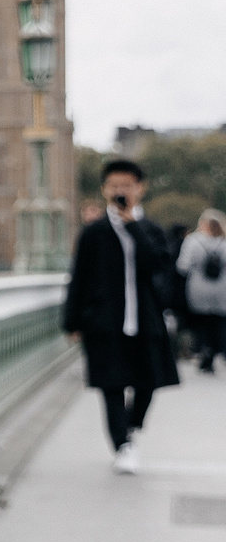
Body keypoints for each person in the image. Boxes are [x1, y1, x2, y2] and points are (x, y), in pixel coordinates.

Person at [62, 157, 179, 472]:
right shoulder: (93, 233)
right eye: (114, 186)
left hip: (146, 320)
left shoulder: (152, 230)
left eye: (126, 185)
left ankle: (131, 425)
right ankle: (122, 446)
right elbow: (79, 277)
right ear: (104, 190)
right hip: (104, 321)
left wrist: (133, 227)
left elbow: (158, 265)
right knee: (111, 385)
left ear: (140, 188)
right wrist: (72, 321)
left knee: (148, 382)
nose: (120, 191)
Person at [178, 209, 226, 375]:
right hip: (221, 288)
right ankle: (214, 352)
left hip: (198, 287)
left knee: (201, 323)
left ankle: (204, 349)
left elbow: (183, 266)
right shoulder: (224, 242)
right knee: (218, 323)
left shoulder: (193, 241)